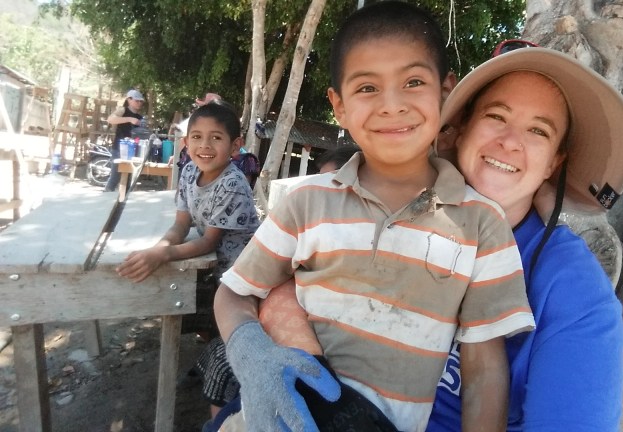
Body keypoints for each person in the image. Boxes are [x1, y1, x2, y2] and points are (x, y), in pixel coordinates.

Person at [212, 2, 534, 432]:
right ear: (339, 106)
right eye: (367, 88)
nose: (392, 105)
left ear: (445, 90)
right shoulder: (306, 202)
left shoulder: (482, 223)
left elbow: (484, 369)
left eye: (413, 82)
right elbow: (233, 294)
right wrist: (253, 356)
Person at [425, 41, 623, 431]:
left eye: (538, 130)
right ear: (462, 129)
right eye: (496, 116)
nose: (510, 141)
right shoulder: (395, 206)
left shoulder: (572, 286)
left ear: (553, 162)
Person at [114, 100, 260, 420]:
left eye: (216, 138)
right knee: (194, 313)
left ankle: (227, 373)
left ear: (235, 146)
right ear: (185, 142)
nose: (204, 145)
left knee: (210, 320)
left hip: (241, 274)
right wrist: (159, 247)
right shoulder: (190, 170)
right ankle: (211, 353)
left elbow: (208, 241)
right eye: (196, 137)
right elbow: (181, 225)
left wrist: (164, 254)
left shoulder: (233, 184)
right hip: (214, 264)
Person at [104, 89, 144, 192]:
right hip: (119, 149)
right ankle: (106, 195)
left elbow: (141, 135)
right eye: (137, 100)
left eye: (141, 101)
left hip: (133, 150)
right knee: (115, 177)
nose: (139, 103)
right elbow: (110, 119)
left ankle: (123, 198)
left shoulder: (140, 117)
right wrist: (129, 119)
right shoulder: (122, 110)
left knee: (130, 179)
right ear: (129, 100)